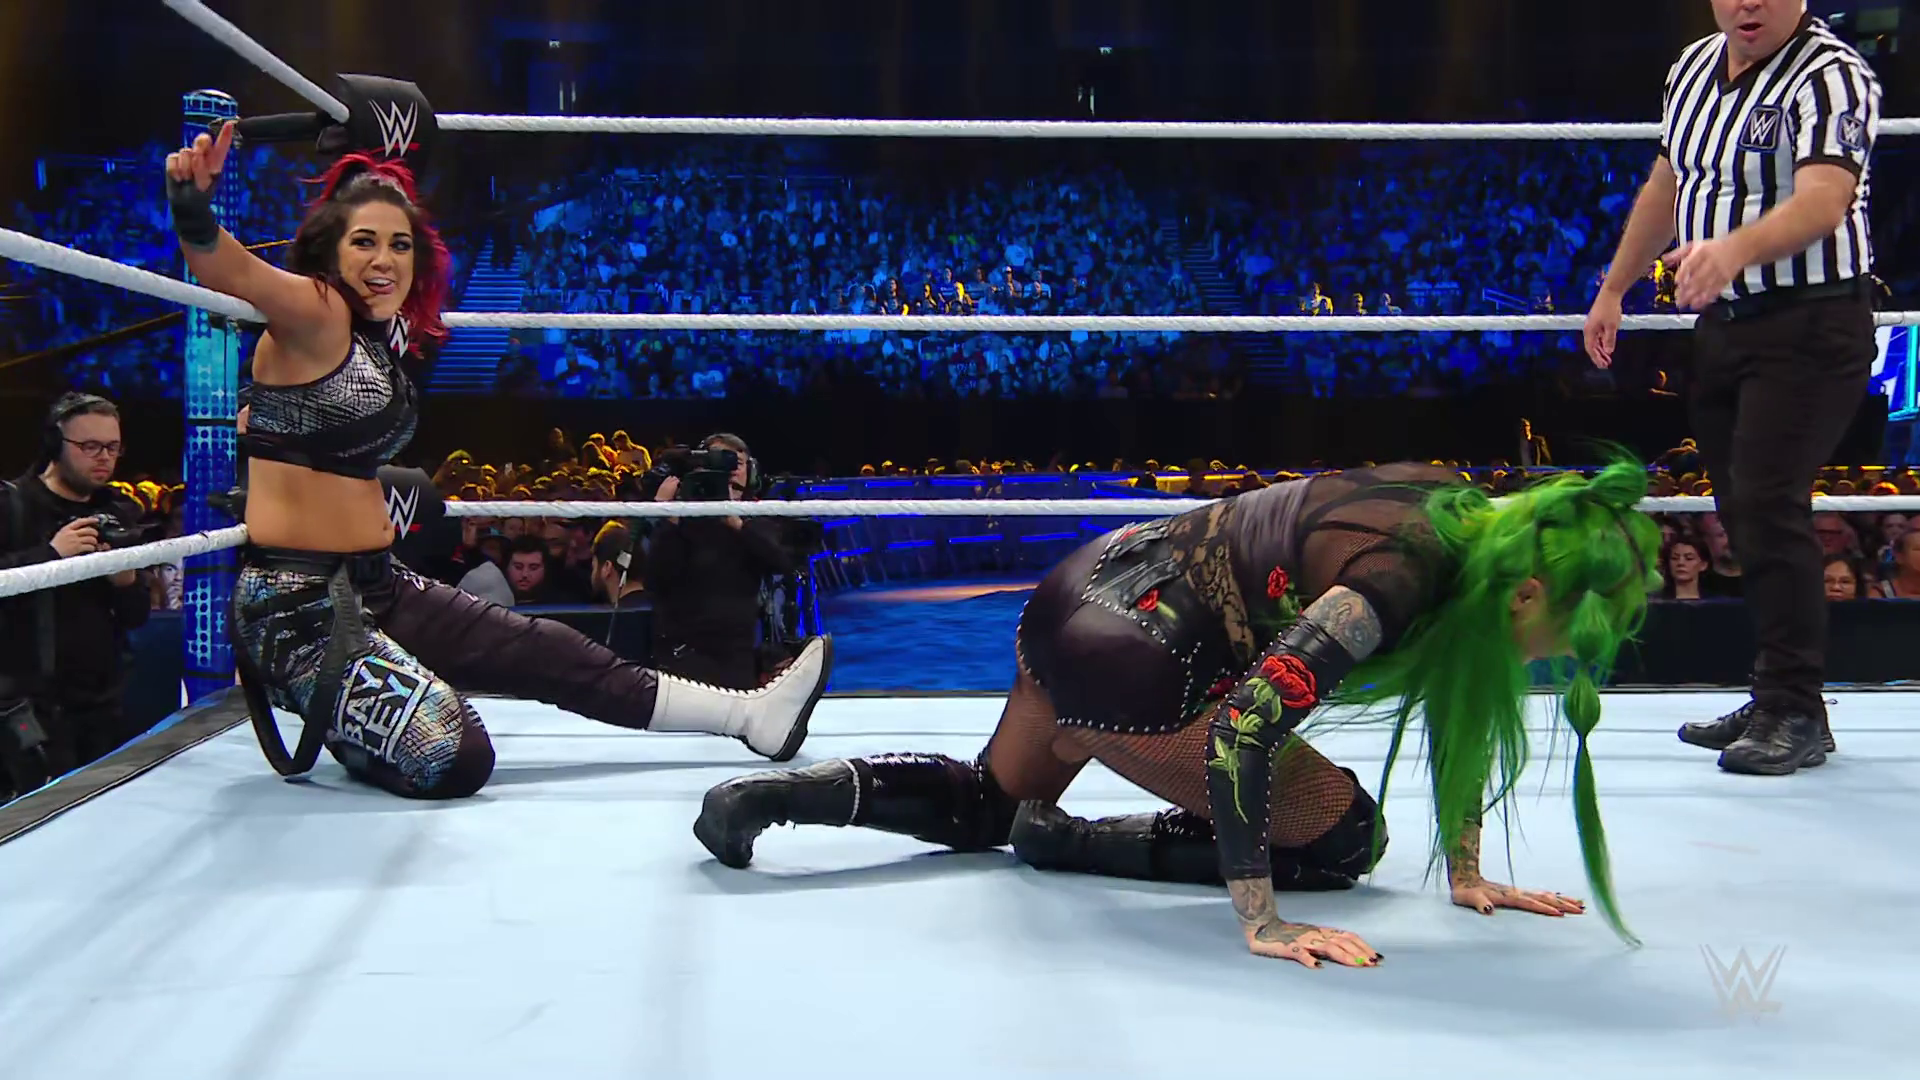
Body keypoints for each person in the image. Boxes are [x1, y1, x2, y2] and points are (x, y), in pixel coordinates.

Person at [695, 459, 1662, 968]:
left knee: (990, 800)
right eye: (1568, 636)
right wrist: (1264, 921)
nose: (1563, 657)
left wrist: (1467, 872)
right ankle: (1070, 839)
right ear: (1529, 594)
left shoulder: (1467, 520)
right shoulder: (1395, 579)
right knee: (1345, 839)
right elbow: (1245, 727)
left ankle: (765, 797)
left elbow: (1460, 691)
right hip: (1140, 656)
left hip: (1088, 591)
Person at [163, 123, 829, 799]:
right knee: (457, 755)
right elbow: (233, 271)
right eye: (363, 242)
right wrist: (192, 204)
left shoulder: (374, 333)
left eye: (399, 244)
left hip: (379, 585)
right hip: (301, 610)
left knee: (551, 651)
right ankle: (344, 714)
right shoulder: (320, 309)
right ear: (329, 251)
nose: (384, 260)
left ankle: (749, 716)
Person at [1584, 0, 1879, 776]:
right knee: (1740, 510)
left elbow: (1825, 198)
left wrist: (1732, 250)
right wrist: (1614, 287)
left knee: (1770, 501)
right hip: (1725, 324)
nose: (1748, 3)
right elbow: (1668, 181)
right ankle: (1779, 695)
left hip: (1813, 320)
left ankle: (1795, 707)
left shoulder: (1831, 73)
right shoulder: (1691, 66)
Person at [0, 394, 153, 798]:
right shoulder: (12, 506)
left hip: (103, 706)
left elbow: (136, 616)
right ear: (55, 444)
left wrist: (125, 581)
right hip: (28, 709)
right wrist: (50, 555)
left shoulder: (118, 512)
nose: (104, 458)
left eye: (112, 447)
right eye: (90, 446)